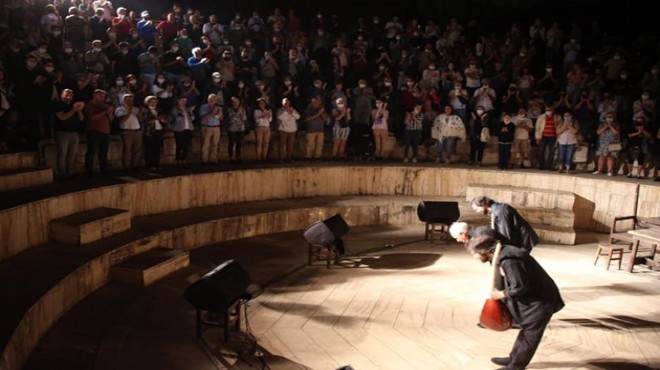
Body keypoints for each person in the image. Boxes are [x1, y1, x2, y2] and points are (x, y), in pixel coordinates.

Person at [465, 233, 564, 370]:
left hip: (542, 300)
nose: (474, 256)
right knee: (526, 330)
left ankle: (516, 366)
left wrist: (500, 294)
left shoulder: (510, 260)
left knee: (530, 335)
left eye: (474, 253)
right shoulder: (501, 254)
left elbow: (519, 287)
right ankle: (513, 358)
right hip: (535, 297)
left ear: (486, 252)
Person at [470, 196, 539, 253]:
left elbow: (506, 233)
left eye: (477, 209)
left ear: (483, 205)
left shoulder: (501, 211)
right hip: (520, 239)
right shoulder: (497, 208)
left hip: (523, 240)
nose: (477, 212)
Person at [54, 89, 84, 180]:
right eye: (66, 95)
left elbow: (81, 119)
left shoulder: (73, 106)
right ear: (61, 95)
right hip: (62, 132)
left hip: (74, 133)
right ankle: (62, 174)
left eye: (70, 95)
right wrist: (73, 110)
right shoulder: (58, 105)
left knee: (72, 154)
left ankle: (70, 172)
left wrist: (78, 110)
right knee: (62, 154)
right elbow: (62, 117)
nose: (69, 97)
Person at [84, 89, 113, 176]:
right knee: (92, 151)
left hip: (105, 131)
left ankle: (104, 170)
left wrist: (110, 114)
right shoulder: (90, 105)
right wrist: (105, 112)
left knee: (104, 152)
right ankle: (89, 171)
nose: (102, 98)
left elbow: (111, 119)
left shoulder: (105, 106)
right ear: (95, 96)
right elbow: (92, 117)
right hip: (94, 131)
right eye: (101, 96)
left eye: (104, 97)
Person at [198, 93, 223, 164]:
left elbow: (221, 118)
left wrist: (219, 115)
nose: (213, 101)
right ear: (208, 100)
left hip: (216, 128)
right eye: (211, 99)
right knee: (205, 145)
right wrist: (212, 113)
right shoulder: (203, 107)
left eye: (214, 100)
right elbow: (203, 118)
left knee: (215, 144)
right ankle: (204, 160)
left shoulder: (218, 108)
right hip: (206, 127)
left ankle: (213, 160)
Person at [277, 98, 300, 162]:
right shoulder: (280, 110)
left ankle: (289, 157)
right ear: (283, 104)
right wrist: (286, 111)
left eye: (288, 103)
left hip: (292, 129)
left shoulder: (293, 110)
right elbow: (279, 117)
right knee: (282, 144)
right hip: (283, 129)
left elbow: (298, 117)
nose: (287, 105)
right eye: (285, 103)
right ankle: (281, 158)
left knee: (290, 144)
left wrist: (291, 112)